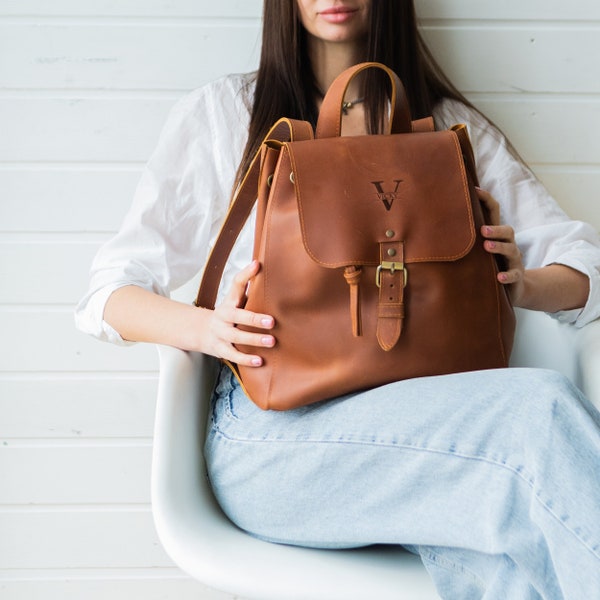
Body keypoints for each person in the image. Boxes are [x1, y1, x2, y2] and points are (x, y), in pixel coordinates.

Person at [76, 1, 600, 598]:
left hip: (425, 435)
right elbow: (108, 293)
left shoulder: (447, 130)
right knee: (539, 414)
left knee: (515, 565)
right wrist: (210, 328)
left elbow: (585, 270)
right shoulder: (225, 114)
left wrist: (521, 281)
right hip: (274, 441)